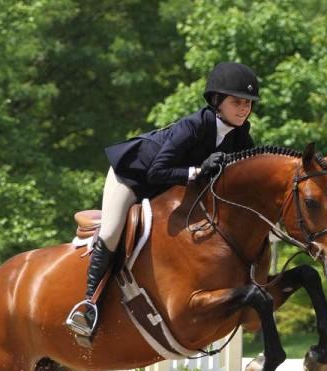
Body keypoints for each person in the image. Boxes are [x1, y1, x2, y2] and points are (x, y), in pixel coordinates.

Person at [66, 61, 260, 341]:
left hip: (169, 186)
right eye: (237, 102)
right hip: (134, 176)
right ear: (217, 101)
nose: (244, 109)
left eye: (249, 103)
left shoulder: (241, 136)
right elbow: (156, 172)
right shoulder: (192, 126)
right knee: (110, 232)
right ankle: (88, 305)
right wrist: (197, 171)